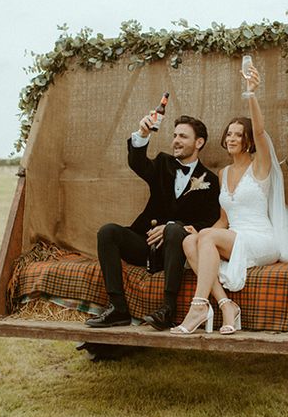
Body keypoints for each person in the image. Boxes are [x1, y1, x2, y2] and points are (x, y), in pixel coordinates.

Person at [171, 63, 288, 335]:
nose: (232, 137)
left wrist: (251, 95)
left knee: (207, 239)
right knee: (190, 241)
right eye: (229, 133)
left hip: (261, 239)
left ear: (248, 141)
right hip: (233, 235)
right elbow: (224, 220)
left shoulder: (260, 166)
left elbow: (261, 132)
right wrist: (201, 232)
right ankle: (226, 305)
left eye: (239, 134)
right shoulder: (223, 173)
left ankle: (200, 306)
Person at [86, 114, 220, 329]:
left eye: (183, 136)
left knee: (175, 231)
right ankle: (117, 308)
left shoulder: (211, 180)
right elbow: (137, 162)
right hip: (144, 242)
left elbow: (209, 220)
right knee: (107, 232)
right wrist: (143, 134)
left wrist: (171, 227)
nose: (176, 140)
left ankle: (168, 309)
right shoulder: (162, 163)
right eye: (175, 135)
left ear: (199, 142)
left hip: (174, 250)